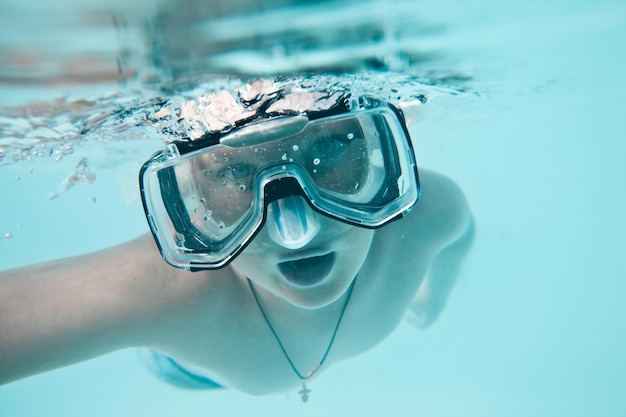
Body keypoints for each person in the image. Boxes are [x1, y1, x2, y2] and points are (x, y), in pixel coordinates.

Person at [0, 85, 473, 402]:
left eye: (328, 150)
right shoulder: (163, 294)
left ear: (381, 159)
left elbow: (458, 238)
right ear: (189, 202)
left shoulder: (432, 214)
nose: (295, 232)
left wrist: (439, 291)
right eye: (233, 172)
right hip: (189, 373)